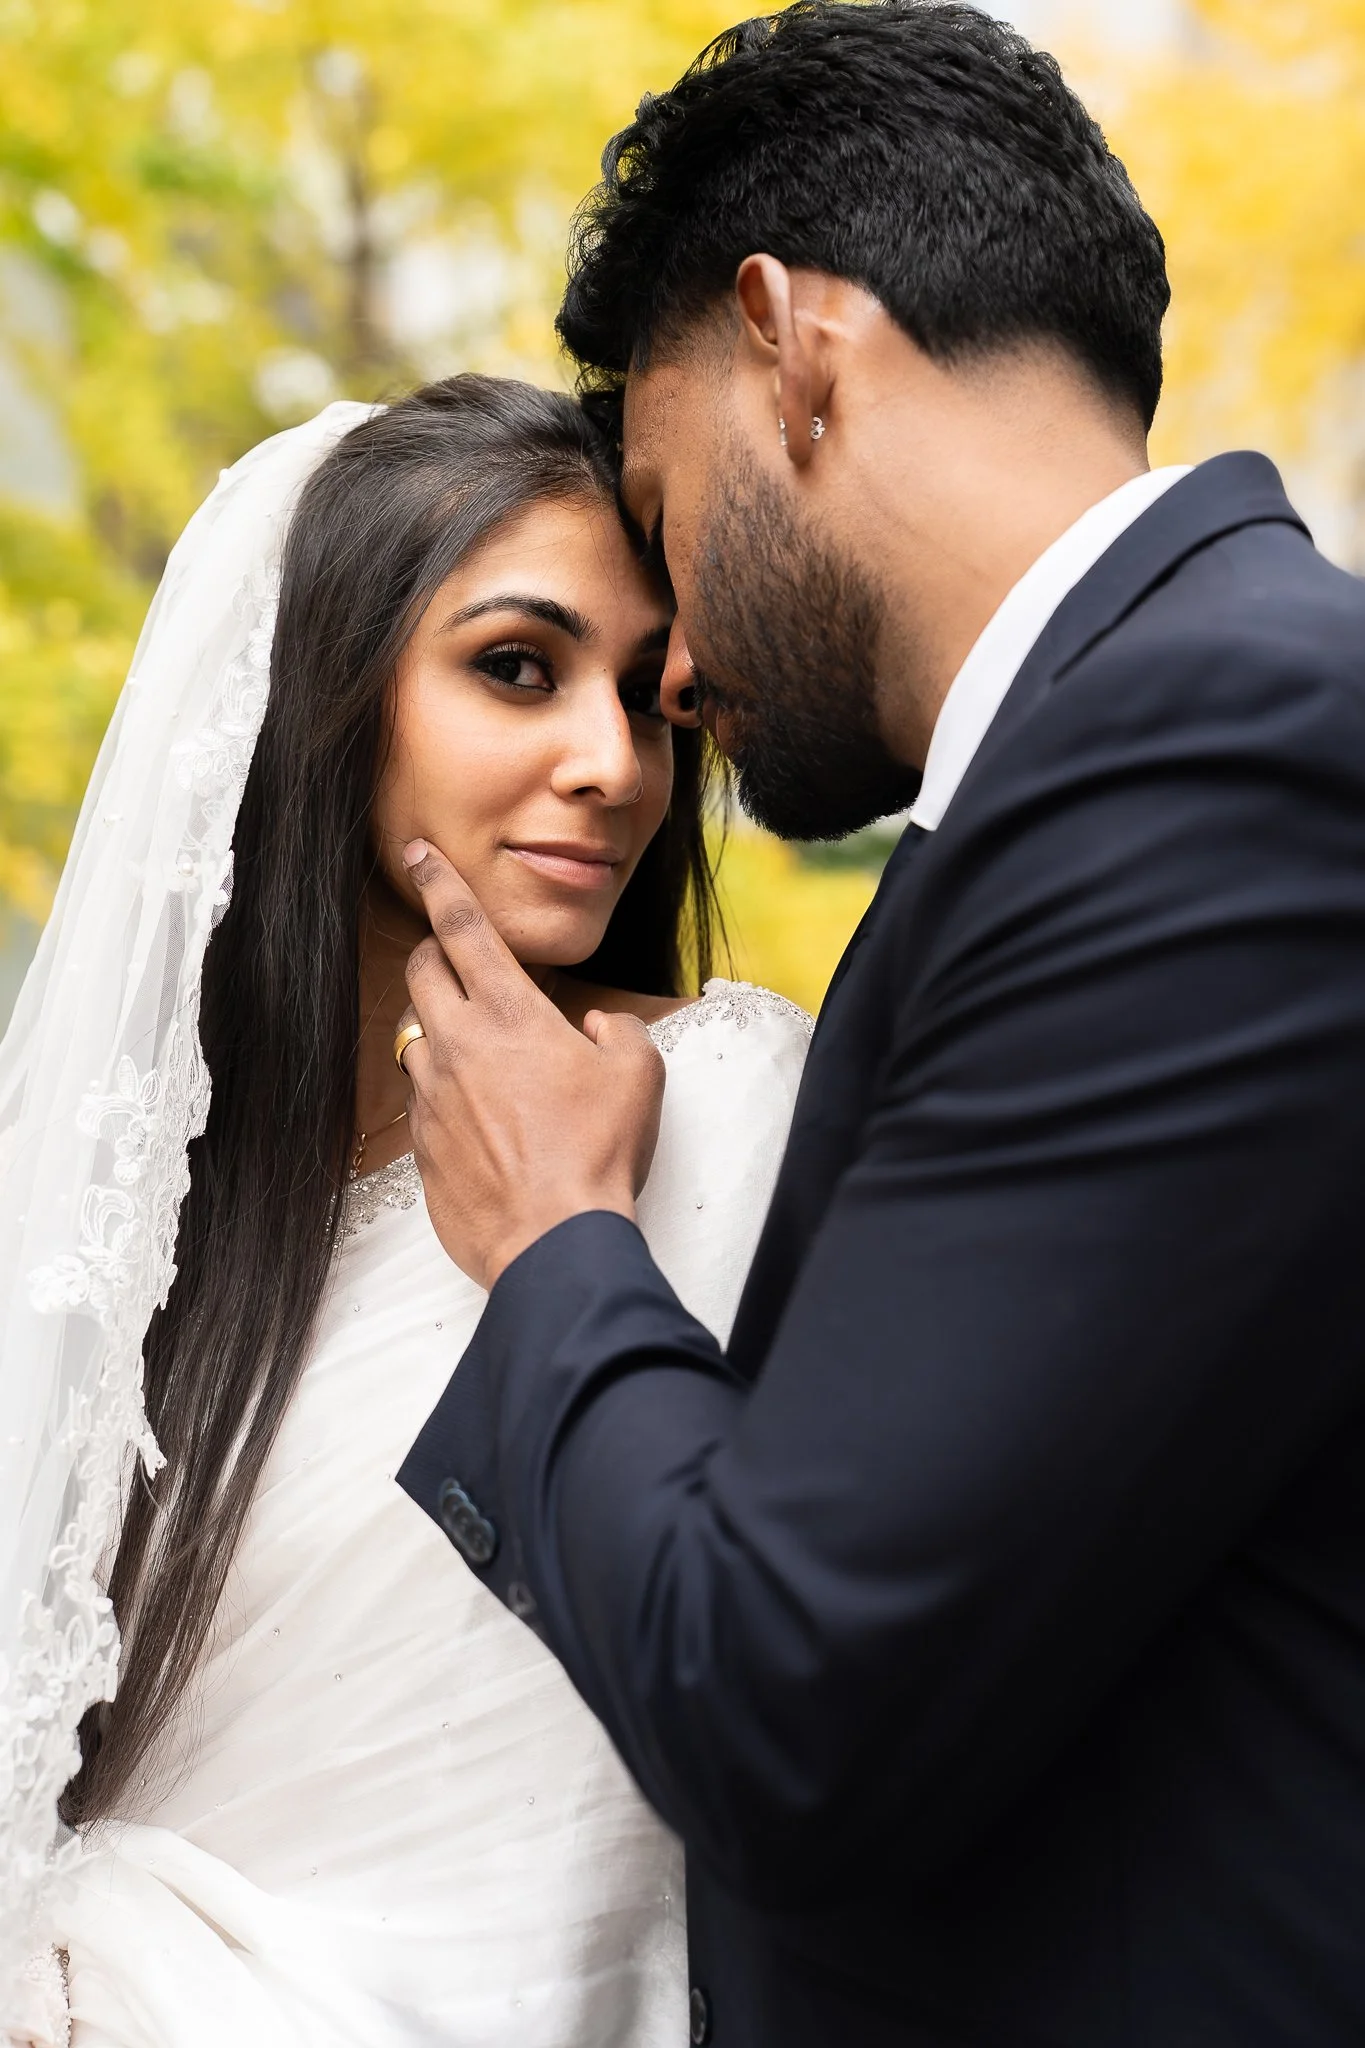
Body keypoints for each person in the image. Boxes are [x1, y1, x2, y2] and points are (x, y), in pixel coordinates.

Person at [391, 7, 1365, 2046]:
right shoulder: (1132, 760)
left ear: (790, 348)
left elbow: (796, 1694)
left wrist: (559, 1243)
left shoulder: (1216, 753)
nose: (659, 692)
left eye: (655, 509)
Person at [0, 378, 811, 2046]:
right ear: (328, 698)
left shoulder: (729, 1106)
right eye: (516, 667)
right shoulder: (130, 1215)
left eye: (643, 696)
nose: (611, 764)